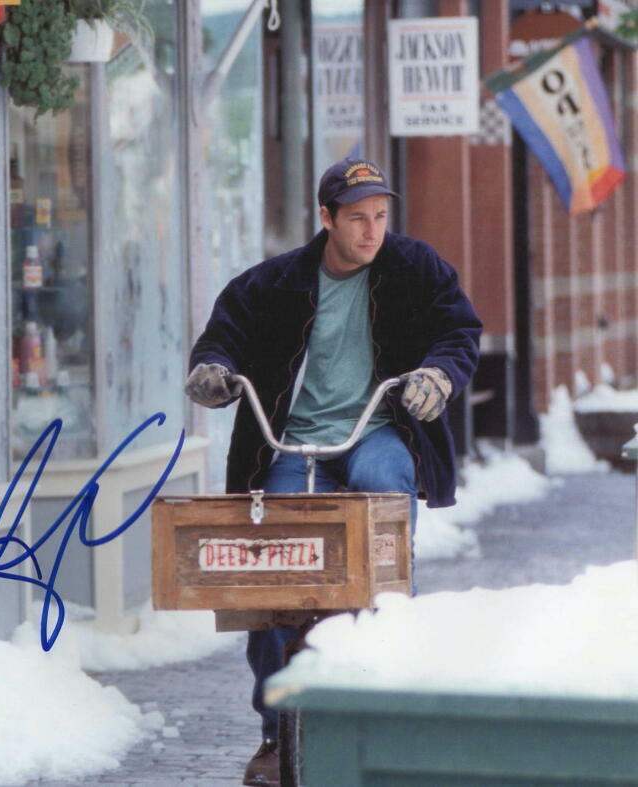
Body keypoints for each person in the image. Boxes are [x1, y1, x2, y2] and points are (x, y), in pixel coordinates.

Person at [184, 158, 482, 787]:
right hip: (292, 444)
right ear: (326, 220)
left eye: (380, 217)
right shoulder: (275, 283)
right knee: (275, 576)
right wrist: (213, 371)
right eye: (357, 220)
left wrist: (438, 375)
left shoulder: (415, 266)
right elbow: (223, 336)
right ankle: (274, 730)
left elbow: (459, 329)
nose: (372, 232)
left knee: (381, 505)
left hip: (377, 429)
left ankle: (394, 675)